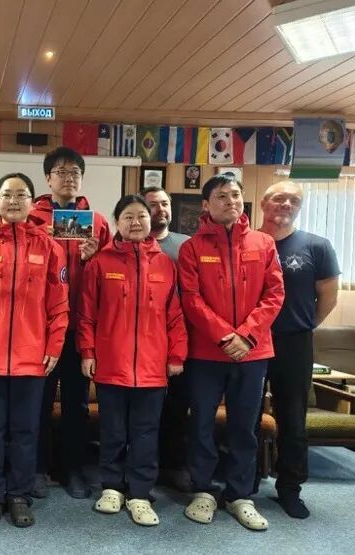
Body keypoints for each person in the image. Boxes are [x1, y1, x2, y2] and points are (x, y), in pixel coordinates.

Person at [0, 173, 69, 528]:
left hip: (32, 359)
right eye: (7, 194)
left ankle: (18, 494)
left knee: (25, 430)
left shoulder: (50, 247)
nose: (14, 201)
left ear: (33, 202)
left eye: (21, 195)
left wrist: (54, 346)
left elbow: (59, 306)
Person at [178, 174, 284, 531]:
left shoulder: (263, 243)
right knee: (201, 424)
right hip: (206, 354)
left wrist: (247, 336)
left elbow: (274, 295)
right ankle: (203, 491)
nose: (231, 201)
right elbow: (191, 299)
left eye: (236, 195)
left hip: (253, 353)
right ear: (206, 204)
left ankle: (240, 495)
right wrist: (225, 336)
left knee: (245, 426)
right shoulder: (192, 248)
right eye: (222, 196)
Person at [79, 194, 187, 526]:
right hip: (111, 365)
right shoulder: (100, 263)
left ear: (150, 221)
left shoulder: (166, 264)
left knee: (145, 432)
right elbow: (86, 315)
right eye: (128, 216)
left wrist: (176, 354)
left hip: (152, 368)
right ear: (117, 222)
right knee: (112, 430)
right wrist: (87, 352)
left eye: (141, 216)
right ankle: (112, 487)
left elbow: (175, 315)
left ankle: (140, 493)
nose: (136, 222)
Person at [30, 147, 111, 499]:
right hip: (40, 329)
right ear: (48, 178)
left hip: (80, 327)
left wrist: (95, 259)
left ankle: (72, 469)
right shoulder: (31, 219)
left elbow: (111, 274)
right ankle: (36, 468)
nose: (69, 178)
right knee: (38, 401)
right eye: (61, 172)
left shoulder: (97, 221)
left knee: (77, 403)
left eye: (75, 172)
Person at [258, 181, 339, 519]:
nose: (286, 204)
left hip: (294, 343)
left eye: (294, 200)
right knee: (246, 415)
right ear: (264, 203)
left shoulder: (317, 246)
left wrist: (303, 325)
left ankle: (290, 488)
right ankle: (245, 482)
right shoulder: (249, 242)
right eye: (280, 198)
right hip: (251, 342)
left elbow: (328, 297)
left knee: (292, 419)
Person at [142, 185, 191, 491]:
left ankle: (174, 466)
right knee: (144, 414)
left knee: (176, 408)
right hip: (141, 344)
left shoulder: (186, 246)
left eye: (164, 203)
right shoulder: (126, 243)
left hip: (178, 342)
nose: (160, 209)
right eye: (153, 204)